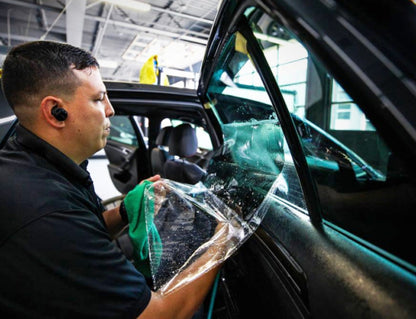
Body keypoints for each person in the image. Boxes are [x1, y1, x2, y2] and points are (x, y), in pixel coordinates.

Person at [0, 41, 222, 318]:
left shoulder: (39, 164)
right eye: (98, 98)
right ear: (56, 111)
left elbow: (82, 229)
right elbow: (162, 314)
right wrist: (222, 240)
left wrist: (125, 212)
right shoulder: (44, 210)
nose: (110, 110)